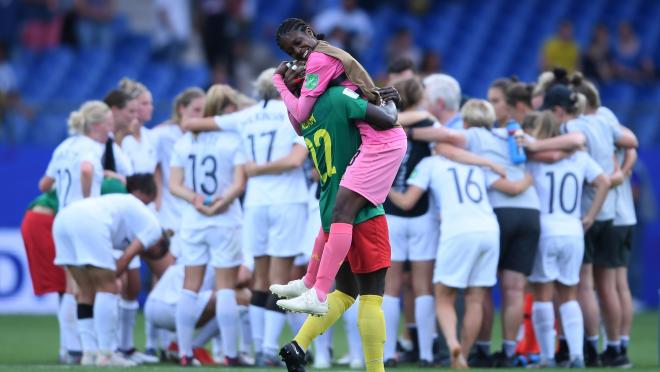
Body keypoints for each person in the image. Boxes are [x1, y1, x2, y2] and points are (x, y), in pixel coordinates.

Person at [271, 18, 407, 314]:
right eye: (290, 51)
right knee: (332, 213)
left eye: (298, 42)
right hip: (372, 143)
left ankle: (319, 292)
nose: (297, 52)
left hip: (381, 144)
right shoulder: (325, 71)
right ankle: (310, 283)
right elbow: (300, 122)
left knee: (341, 213)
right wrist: (291, 94)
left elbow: (303, 111)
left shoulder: (320, 61)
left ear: (309, 33)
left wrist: (280, 85)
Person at [409, 79, 545, 367]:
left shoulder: (473, 138)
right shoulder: (511, 134)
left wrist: (407, 129)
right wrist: (527, 180)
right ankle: (510, 351)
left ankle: (476, 349)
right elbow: (547, 151)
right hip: (530, 212)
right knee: (515, 289)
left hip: (496, 212)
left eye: (497, 99)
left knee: (476, 291)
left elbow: (444, 142)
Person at [182, 70, 309, 366]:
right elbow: (294, 160)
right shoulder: (295, 114)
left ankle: (257, 348)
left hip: (255, 203)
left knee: (260, 278)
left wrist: (251, 168)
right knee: (280, 278)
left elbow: (190, 123)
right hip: (287, 200)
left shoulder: (245, 116)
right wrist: (259, 168)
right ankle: (267, 349)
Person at [276, 84, 400, 372]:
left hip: (332, 209)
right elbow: (387, 123)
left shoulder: (308, 113)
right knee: (372, 296)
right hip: (363, 207)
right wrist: (386, 103)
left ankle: (298, 344)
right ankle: (375, 369)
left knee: (344, 293)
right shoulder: (341, 99)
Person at [532, 81, 636, 367]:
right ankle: (596, 350)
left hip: (554, 227)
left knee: (555, 292)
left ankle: (554, 355)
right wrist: (621, 176)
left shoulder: (543, 153)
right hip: (588, 224)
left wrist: (530, 146)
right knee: (589, 290)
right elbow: (628, 149)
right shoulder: (602, 124)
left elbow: (558, 151)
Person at [524, 111, 611, 368]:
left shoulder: (532, 159)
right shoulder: (579, 157)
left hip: (545, 228)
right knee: (569, 294)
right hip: (573, 229)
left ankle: (548, 356)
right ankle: (575, 355)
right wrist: (590, 216)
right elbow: (604, 181)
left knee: (543, 295)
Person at [170, 84, 247, 367]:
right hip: (225, 219)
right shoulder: (232, 140)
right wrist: (220, 202)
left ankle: (184, 352)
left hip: (193, 219)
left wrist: (195, 199)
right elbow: (239, 182)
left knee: (190, 285)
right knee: (226, 287)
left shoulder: (184, 141)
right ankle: (229, 353)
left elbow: (173, 185)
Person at [382, 76, 439, 366]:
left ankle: (388, 352)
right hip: (422, 215)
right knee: (422, 287)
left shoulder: (383, 123)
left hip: (391, 213)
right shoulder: (430, 125)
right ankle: (427, 354)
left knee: (390, 288)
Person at [21, 190, 79, 364]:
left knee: (69, 286)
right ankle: (70, 349)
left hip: (43, 218)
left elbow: (44, 183)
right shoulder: (93, 174)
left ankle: (70, 348)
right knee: (68, 286)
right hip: (47, 221)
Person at [118, 78, 157, 174]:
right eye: (145, 104)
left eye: (150, 103)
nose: (151, 108)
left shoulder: (151, 136)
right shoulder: (118, 137)